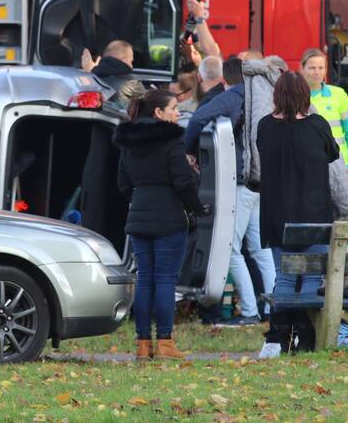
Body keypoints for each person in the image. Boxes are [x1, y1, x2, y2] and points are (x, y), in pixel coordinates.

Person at [114, 89, 209, 360]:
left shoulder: (128, 140)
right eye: (174, 108)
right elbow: (182, 181)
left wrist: (141, 198)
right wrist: (196, 207)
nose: (178, 113)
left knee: (144, 279)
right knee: (166, 279)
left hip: (139, 215)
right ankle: (165, 342)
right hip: (169, 216)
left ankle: (143, 344)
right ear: (158, 113)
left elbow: (123, 184)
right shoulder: (172, 141)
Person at [186, 58, 275, 327]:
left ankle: (249, 311)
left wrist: (190, 150)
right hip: (262, 180)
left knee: (232, 249)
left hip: (240, 182)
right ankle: (273, 309)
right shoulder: (263, 95)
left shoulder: (234, 95)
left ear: (225, 80)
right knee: (260, 249)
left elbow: (199, 118)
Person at [256, 71, 339, 358]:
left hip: (277, 218)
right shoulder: (317, 125)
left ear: (276, 96)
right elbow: (333, 153)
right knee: (312, 278)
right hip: (314, 216)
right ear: (307, 95)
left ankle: (278, 338)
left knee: (285, 278)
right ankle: (306, 338)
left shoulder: (265, 126)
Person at [300, 48, 348, 178]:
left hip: (340, 166)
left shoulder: (339, 94)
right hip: (308, 168)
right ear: (302, 69)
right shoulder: (296, 97)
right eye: (312, 68)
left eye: (321, 67)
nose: (317, 72)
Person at [81, 39, 146, 106]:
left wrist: (91, 72)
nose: (132, 66)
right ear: (124, 61)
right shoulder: (132, 82)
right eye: (131, 62)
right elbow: (146, 106)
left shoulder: (87, 82)